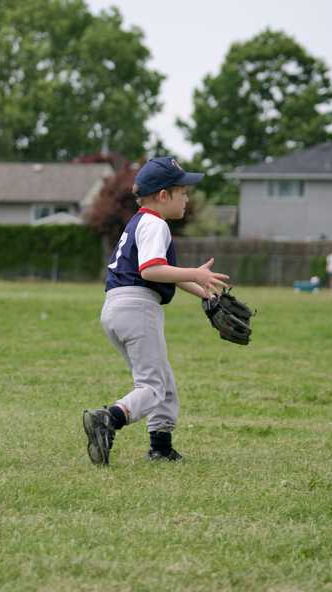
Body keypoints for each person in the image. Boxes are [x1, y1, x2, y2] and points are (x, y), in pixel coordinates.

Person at [82, 157, 229, 465]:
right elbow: (151, 270)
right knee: (152, 386)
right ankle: (109, 419)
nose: (187, 199)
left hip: (117, 307)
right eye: (183, 192)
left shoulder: (140, 221)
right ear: (163, 195)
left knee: (163, 381)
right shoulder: (155, 224)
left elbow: (161, 272)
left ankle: (161, 447)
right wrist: (196, 273)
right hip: (137, 309)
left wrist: (203, 292)